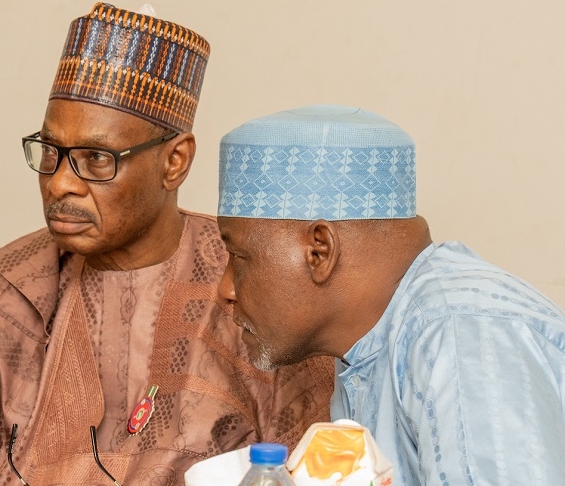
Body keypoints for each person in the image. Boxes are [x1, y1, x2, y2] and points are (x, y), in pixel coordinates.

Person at [0, 3, 333, 485]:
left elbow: (325, 457)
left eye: (96, 158)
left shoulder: (251, 288)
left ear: (174, 162)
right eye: (51, 152)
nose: (61, 182)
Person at [214, 104, 565, 485]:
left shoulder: (459, 334)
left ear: (319, 251)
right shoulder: (369, 353)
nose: (225, 289)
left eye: (238, 256)